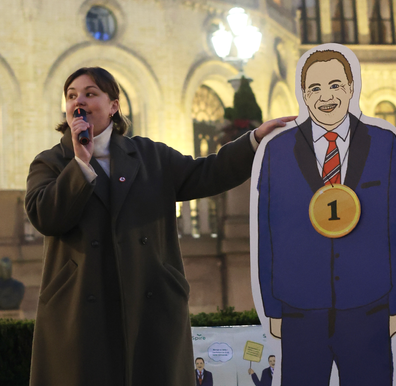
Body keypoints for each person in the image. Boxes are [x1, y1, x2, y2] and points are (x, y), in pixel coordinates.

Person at [25, 67, 294, 386]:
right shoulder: (51, 162)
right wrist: (80, 165)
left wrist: (253, 141)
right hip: (81, 307)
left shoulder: (150, 156)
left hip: (150, 301)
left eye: (90, 93)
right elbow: (45, 216)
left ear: (113, 105)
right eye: (71, 96)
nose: (78, 101)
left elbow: (207, 173)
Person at [256, 49, 396, 385]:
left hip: (368, 304)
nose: (325, 97)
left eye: (335, 85)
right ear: (304, 94)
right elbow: (268, 233)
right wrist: (273, 307)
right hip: (300, 307)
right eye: (314, 88)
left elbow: (393, 226)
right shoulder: (277, 151)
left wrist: (394, 301)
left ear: (351, 88)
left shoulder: (384, 144)